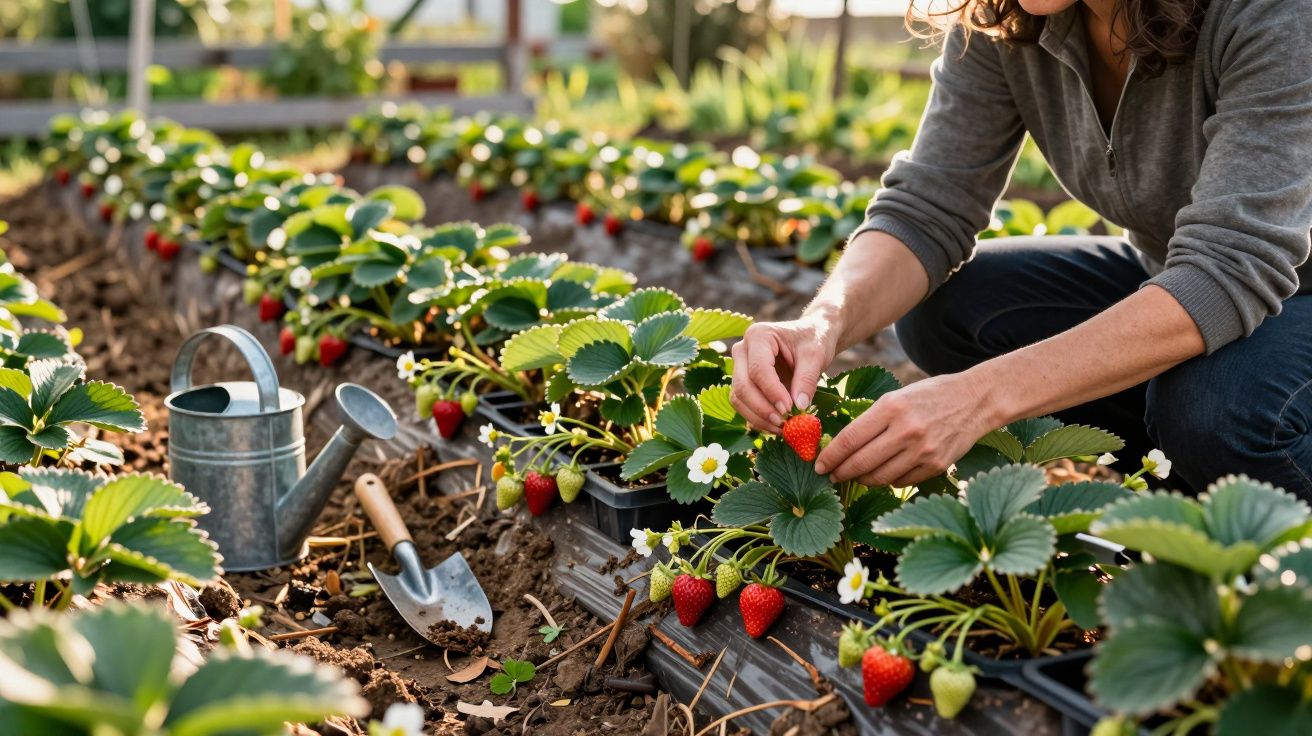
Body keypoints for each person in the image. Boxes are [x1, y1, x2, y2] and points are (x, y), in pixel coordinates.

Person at [730, 0, 1312, 498]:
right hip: (1177, 275)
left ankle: (1247, 506)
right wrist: (820, 324)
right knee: (949, 310)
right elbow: (929, 206)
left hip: (1289, 292)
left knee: (1214, 410)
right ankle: (1182, 480)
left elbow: (1228, 268)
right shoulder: (1006, 19)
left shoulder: (1274, 17)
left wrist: (980, 398)